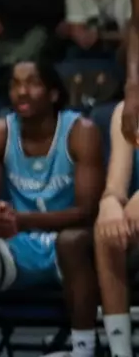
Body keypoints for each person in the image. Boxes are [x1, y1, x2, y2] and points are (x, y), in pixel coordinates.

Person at [0, 61, 99, 357]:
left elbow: (88, 210)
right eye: (15, 84)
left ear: (53, 94)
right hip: (18, 248)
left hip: (69, 250)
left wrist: (21, 219)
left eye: (32, 83)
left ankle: (83, 350)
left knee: (73, 240)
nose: (22, 92)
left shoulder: (81, 131)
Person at [96, 96, 139, 357]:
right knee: (106, 231)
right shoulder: (128, 111)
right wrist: (110, 200)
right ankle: (120, 351)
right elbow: (116, 182)